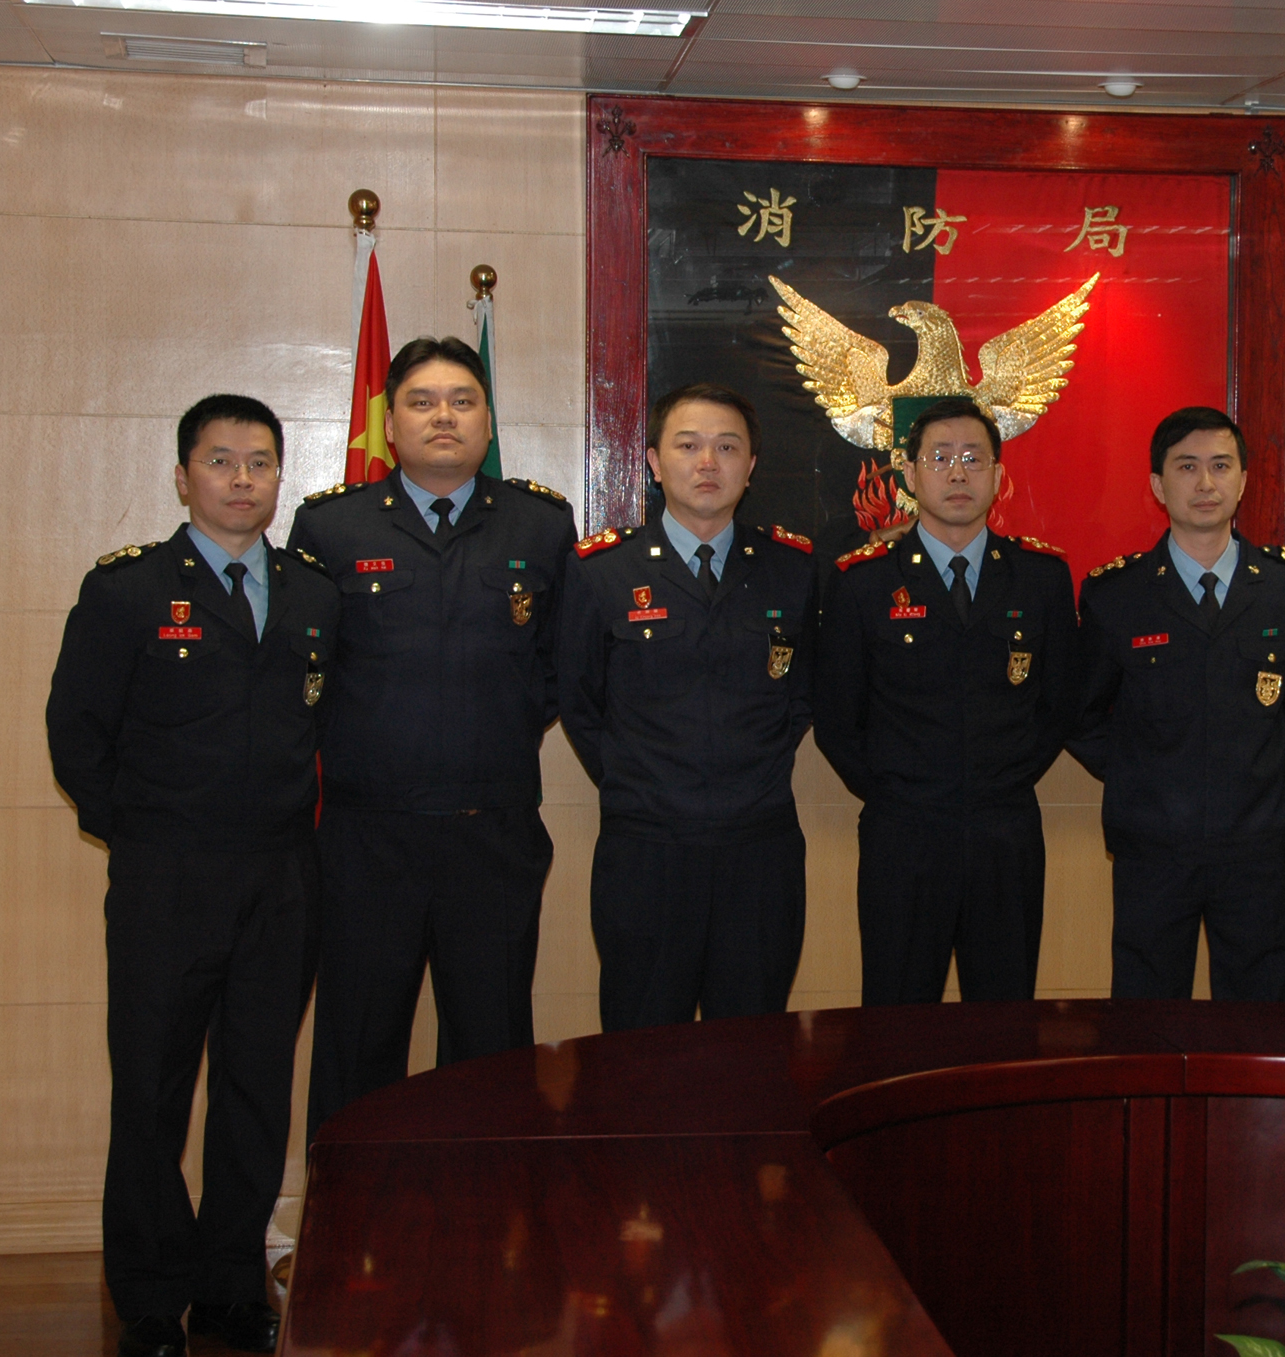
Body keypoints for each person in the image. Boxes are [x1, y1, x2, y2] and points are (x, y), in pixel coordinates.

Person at [47, 395, 339, 1357]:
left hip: (281, 879)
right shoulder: (128, 589)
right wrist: (141, 837)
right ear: (183, 477)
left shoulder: (312, 593)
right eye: (220, 461)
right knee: (152, 1089)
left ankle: (227, 1288)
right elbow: (76, 734)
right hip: (167, 880)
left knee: (256, 1088)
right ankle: (148, 1296)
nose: (241, 479)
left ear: (279, 477)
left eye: (259, 462)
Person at [288, 336, 577, 1138]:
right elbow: (305, 674)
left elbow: (561, 667)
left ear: (487, 422)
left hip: (493, 835)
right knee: (357, 1043)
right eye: (421, 401)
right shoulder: (331, 526)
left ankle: (488, 1211)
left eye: (462, 400)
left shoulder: (540, 524)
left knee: (491, 1050)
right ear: (389, 425)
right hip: (365, 840)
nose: (443, 416)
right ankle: (350, 1211)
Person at [558, 383, 819, 1029]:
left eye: (727, 447)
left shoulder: (793, 569)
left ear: (750, 466)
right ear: (653, 461)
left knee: (752, 1049)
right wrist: (642, 777)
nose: (708, 462)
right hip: (647, 852)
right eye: (688, 445)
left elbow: (803, 695)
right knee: (642, 1053)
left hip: (759, 853)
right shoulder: (602, 570)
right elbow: (580, 700)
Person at [813, 396, 1079, 1005]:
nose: (957, 473)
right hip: (903, 836)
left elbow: (1059, 703)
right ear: (909, 474)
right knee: (897, 1018)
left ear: (998, 474)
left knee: (1004, 1020)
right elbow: (837, 718)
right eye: (939, 458)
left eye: (973, 458)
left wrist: (1002, 777)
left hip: (1005, 833)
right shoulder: (864, 580)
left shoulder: (1040, 578)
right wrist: (899, 788)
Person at [1068, 406, 1285, 1001]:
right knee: (1148, 1015)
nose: (1205, 483)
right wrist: (1140, 772)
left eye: (1220, 466)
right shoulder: (1116, 594)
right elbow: (1081, 715)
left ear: (1243, 480)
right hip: (1152, 846)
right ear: (1158, 486)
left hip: (1257, 845)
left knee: (1257, 1015)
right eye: (1186, 467)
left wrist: (1262, 776)